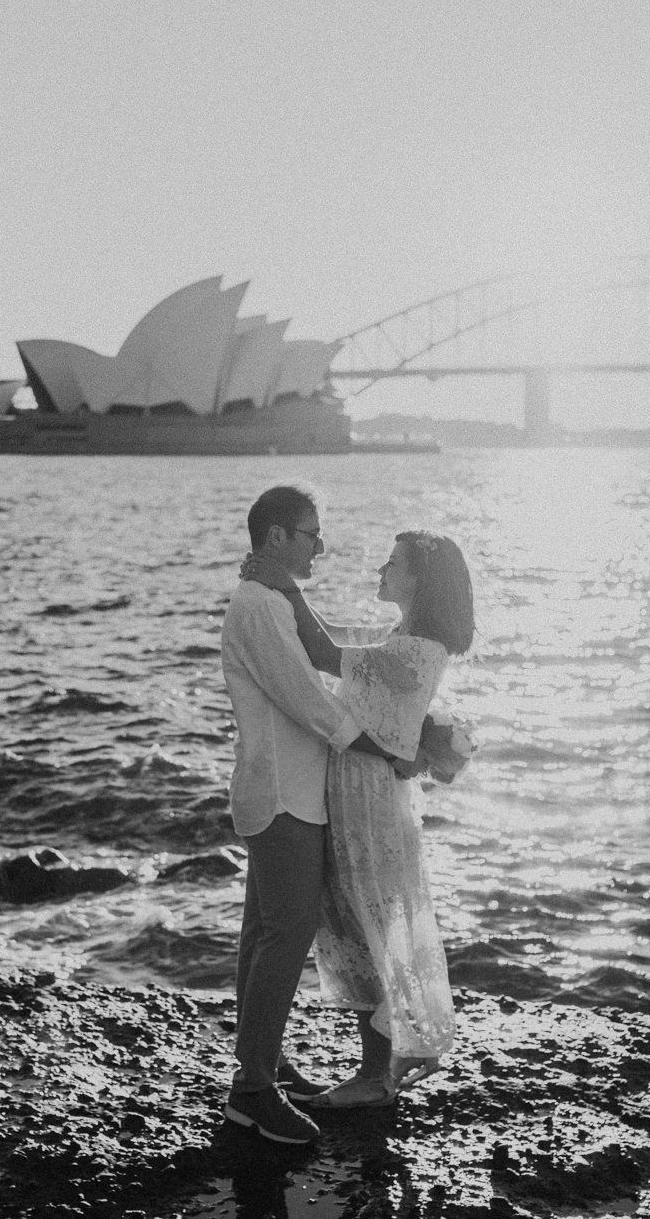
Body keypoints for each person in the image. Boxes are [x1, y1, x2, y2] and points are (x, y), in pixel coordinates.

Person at [242, 529, 474, 1110]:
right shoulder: (403, 638)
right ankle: (375, 1066)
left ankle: (375, 1078)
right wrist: (291, 598)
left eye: (392, 562)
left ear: (419, 579)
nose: (381, 568)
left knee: (373, 922)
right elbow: (340, 643)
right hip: (356, 792)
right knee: (358, 919)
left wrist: (285, 589)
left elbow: (324, 654)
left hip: (370, 802)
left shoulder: (417, 649)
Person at [219, 484, 418, 1146]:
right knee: (287, 932)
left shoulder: (270, 597)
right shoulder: (257, 605)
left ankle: (262, 1065)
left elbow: (324, 657)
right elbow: (307, 699)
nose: (321, 546)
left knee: (262, 932)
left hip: (291, 792)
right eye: (310, 533)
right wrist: (386, 748)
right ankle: (251, 1092)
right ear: (276, 536)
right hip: (281, 794)